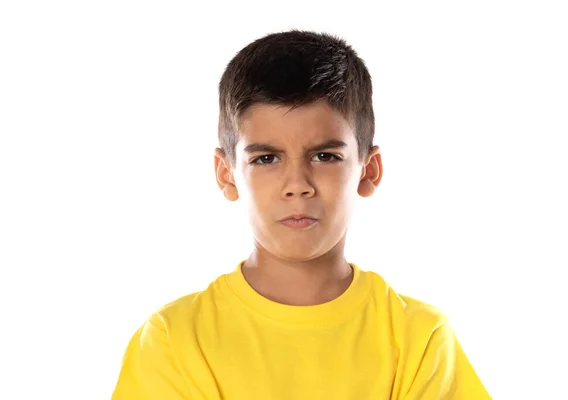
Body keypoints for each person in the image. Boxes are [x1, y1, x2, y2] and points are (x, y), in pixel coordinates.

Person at [111, 29, 491, 399]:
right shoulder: (175, 341)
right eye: (266, 158)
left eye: (325, 156)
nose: (297, 184)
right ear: (227, 174)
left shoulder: (419, 341)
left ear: (368, 170)